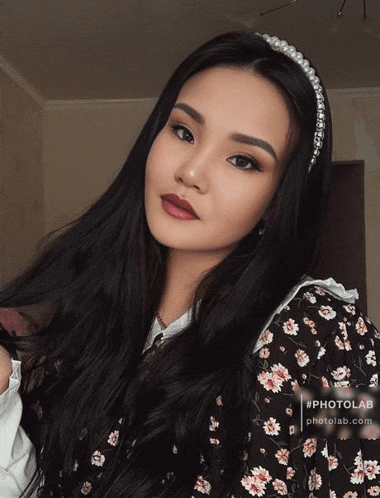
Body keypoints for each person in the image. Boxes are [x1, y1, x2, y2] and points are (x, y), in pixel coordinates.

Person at [0, 31, 379, 498]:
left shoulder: (325, 336)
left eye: (242, 160)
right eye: (183, 131)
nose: (191, 172)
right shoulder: (92, 318)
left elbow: (363, 479)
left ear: (279, 200)